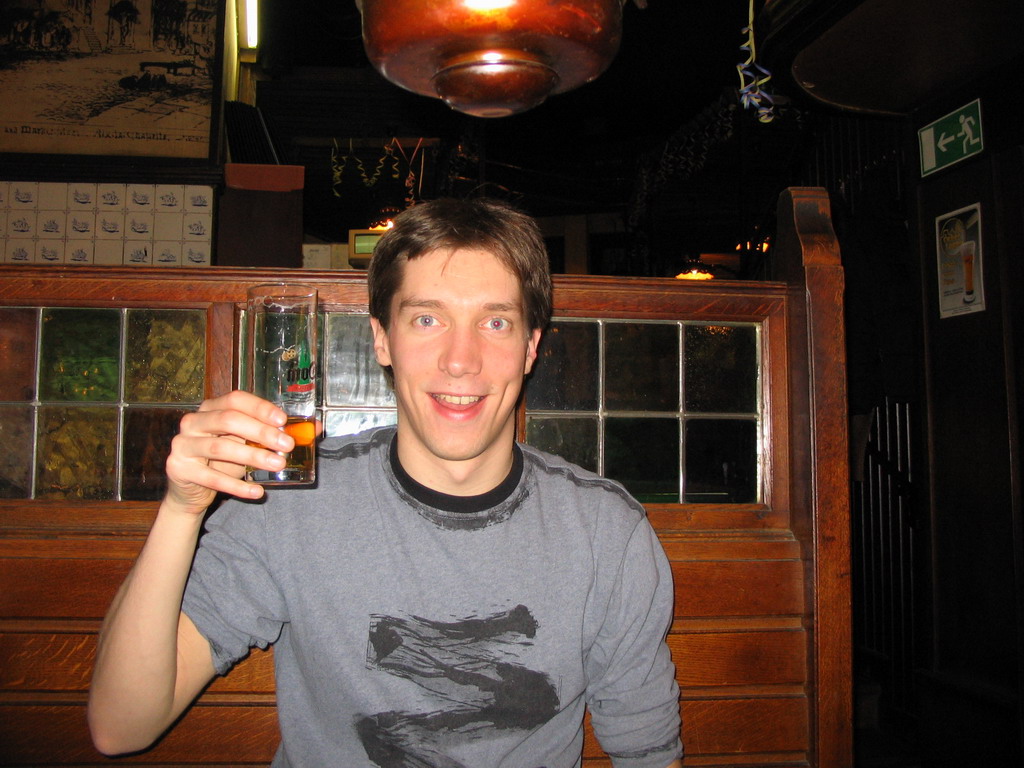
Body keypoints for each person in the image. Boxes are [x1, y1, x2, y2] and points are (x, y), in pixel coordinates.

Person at [88, 197, 683, 768]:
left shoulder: (606, 533)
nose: (460, 359)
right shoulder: (291, 501)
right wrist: (182, 508)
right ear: (381, 339)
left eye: (495, 322)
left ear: (530, 347)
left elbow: (648, 751)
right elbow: (121, 727)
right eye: (427, 318)